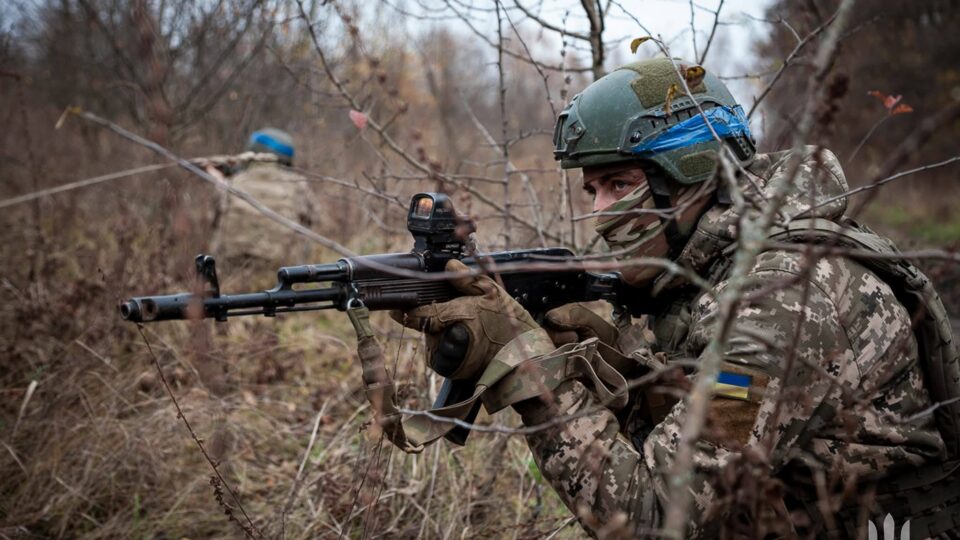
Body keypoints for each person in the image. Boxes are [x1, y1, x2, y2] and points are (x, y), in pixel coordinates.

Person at [374, 58, 960, 537]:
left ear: (693, 175)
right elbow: (685, 434)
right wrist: (590, 355)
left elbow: (657, 518)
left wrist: (530, 370)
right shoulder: (708, 271)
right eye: (593, 189)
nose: (600, 212)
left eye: (621, 184)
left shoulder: (782, 302)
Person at [208, 128, 316, 274]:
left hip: (232, 270)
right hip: (284, 270)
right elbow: (314, 219)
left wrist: (219, 182)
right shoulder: (298, 185)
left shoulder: (231, 184)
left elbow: (212, 220)